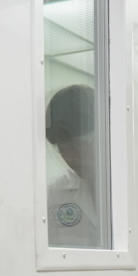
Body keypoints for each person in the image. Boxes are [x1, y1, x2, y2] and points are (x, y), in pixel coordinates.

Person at [45, 84, 101, 248]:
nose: (70, 157)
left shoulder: (134, 192)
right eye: (62, 149)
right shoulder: (54, 195)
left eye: (77, 146)